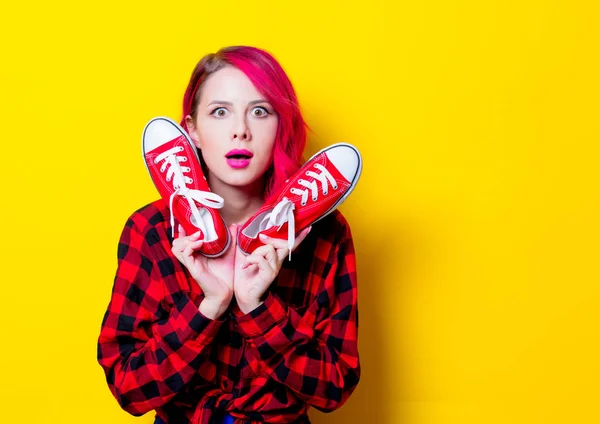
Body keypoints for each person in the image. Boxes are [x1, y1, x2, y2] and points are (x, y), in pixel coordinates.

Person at [97, 45, 360, 424]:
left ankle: (280, 214)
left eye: (260, 111)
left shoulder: (326, 233)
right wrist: (210, 304)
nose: (241, 130)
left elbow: (335, 387)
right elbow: (130, 389)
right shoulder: (152, 230)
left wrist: (258, 307)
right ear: (193, 132)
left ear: (281, 125)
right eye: (220, 112)